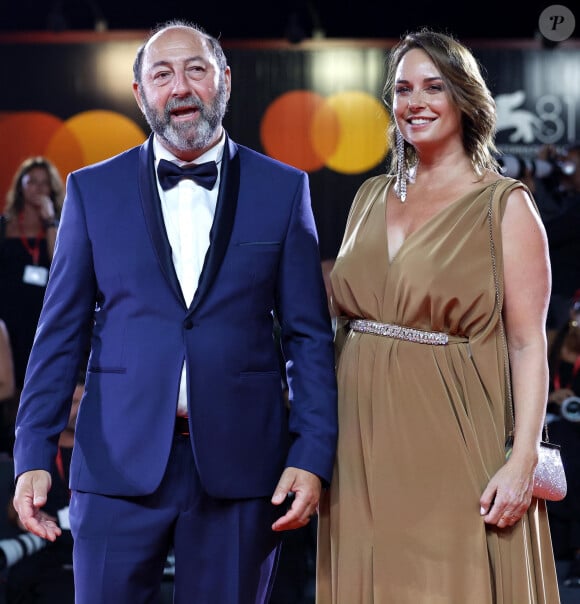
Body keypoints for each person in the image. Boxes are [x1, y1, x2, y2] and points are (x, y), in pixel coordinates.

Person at [12, 19, 337, 604]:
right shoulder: (92, 190)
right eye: (162, 74)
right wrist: (32, 452)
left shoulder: (284, 189)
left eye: (196, 70)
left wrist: (312, 454)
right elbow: (57, 336)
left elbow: (308, 338)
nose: (180, 87)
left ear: (225, 82)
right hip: (114, 464)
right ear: (140, 93)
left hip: (242, 467)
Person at [316, 29, 560, 603]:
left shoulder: (505, 204)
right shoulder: (370, 196)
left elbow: (528, 344)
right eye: (402, 89)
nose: (414, 102)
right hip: (356, 440)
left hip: (454, 437)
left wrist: (523, 457)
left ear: (464, 100)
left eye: (433, 87)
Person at [0, 157, 63, 391]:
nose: (38, 188)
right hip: (7, 321)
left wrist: (49, 221)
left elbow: (60, 264)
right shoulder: (5, 226)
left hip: (42, 318)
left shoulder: (59, 226)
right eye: (32, 182)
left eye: (44, 183)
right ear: (20, 186)